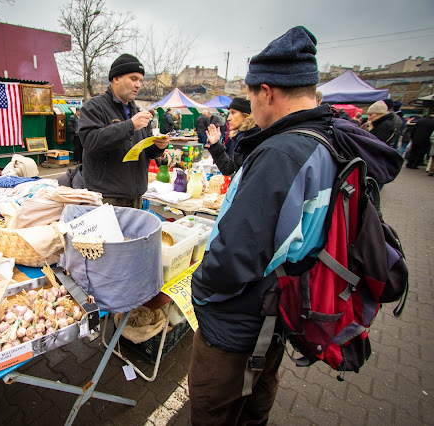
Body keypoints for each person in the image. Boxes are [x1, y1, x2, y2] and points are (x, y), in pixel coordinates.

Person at [188, 26, 342, 424]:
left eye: (251, 96)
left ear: (267, 92)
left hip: (239, 322)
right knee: (255, 404)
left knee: (216, 410)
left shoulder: (282, 152)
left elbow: (237, 253)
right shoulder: (325, 136)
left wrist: (201, 290)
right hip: (277, 309)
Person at [79, 53, 168, 208]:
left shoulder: (138, 111)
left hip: (135, 197)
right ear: (116, 79)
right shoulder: (94, 107)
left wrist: (157, 147)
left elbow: (144, 152)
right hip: (107, 198)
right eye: (133, 79)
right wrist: (129, 126)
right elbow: (90, 141)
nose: (138, 85)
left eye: (140, 80)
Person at [205, 97, 259, 176]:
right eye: (229, 113)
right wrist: (216, 143)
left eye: (233, 113)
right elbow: (228, 169)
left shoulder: (254, 140)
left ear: (246, 115)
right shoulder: (239, 138)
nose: (229, 118)